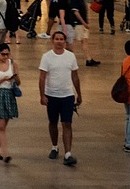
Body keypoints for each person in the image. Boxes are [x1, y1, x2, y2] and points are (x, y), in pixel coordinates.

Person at [38, 29, 81, 167]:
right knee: (53, 122)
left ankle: (68, 153)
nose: (59, 42)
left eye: (62, 39)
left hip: (67, 95)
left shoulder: (70, 56)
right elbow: (42, 77)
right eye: (57, 39)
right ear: (52, 41)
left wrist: (79, 93)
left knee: (67, 123)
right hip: (52, 95)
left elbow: (75, 75)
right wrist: (42, 95)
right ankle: (54, 146)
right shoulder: (47, 57)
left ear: (65, 41)